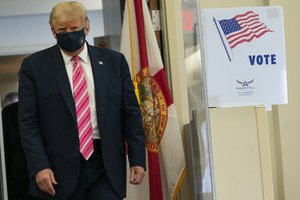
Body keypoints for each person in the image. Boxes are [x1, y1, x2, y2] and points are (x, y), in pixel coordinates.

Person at [18, 1, 146, 200]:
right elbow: (28, 123)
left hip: (105, 165)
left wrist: (138, 158)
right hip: (57, 169)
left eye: (74, 28)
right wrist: (39, 166)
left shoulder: (114, 62)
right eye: (62, 29)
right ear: (53, 32)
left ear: (87, 27)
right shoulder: (34, 67)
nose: (69, 33)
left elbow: (130, 113)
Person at [2, 92, 39, 200]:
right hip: (18, 181)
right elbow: (6, 150)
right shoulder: (8, 113)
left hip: (47, 180)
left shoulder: (49, 109)